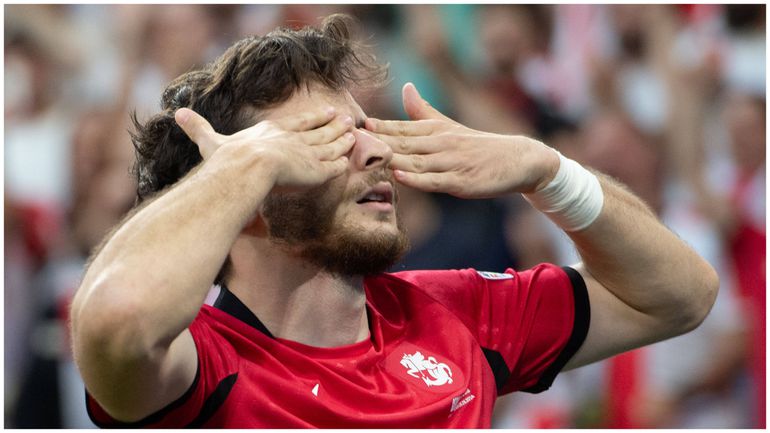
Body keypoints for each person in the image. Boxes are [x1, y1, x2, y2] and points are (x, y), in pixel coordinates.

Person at [70, 15, 718, 428]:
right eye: (323, 139)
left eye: (364, 129)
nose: (376, 151)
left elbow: (681, 296)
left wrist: (548, 171)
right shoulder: (203, 364)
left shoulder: (456, 315)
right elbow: (115, 319)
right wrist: (247, 166)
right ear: (243, 197)